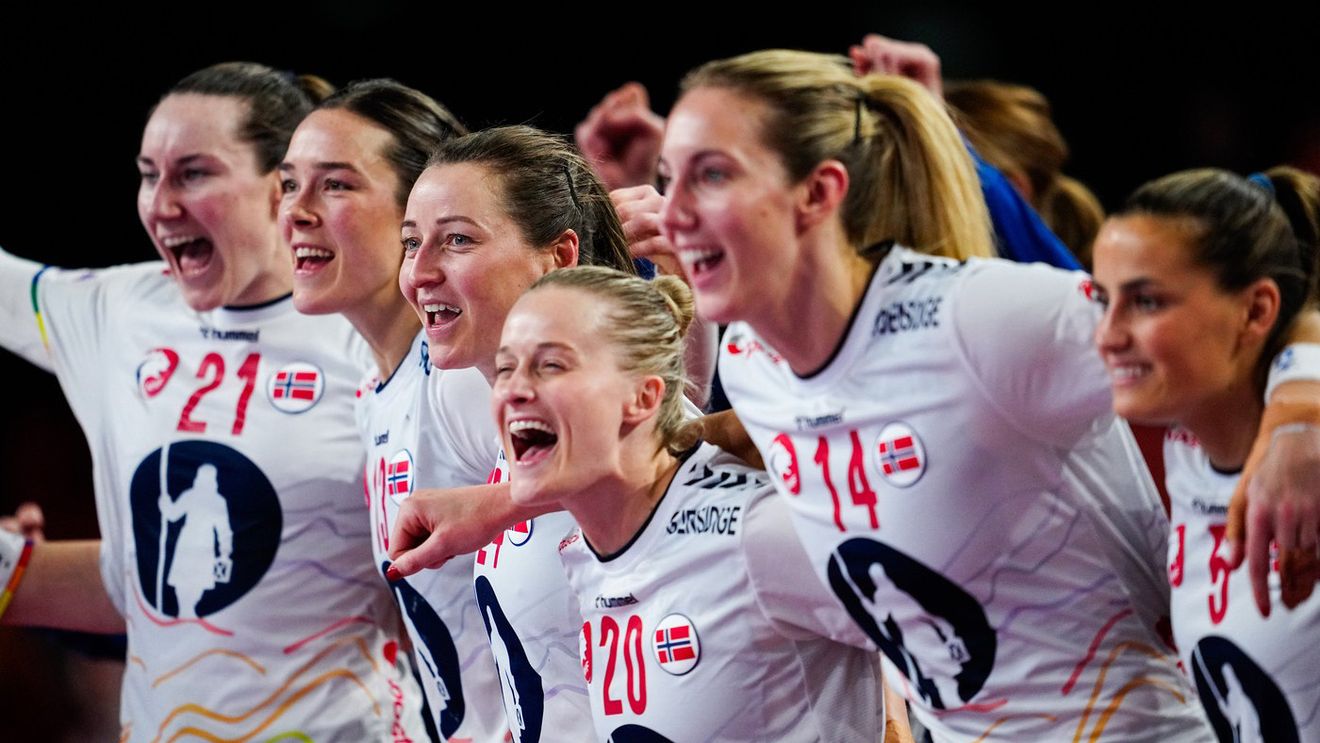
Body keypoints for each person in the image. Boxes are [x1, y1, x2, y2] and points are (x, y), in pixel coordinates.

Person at [657, 48, 1215, 740]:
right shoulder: (750, 363)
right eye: (665, 178)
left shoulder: (982, 320)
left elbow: (1239, 330)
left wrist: (1289, 420)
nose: (672, 211)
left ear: (820, 192)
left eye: (710, 175)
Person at [0, 63, 426, 741]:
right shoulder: (112, 311)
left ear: (280, 188)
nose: (161, 204)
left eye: (194, 174)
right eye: (148, 174)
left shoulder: (372, 336)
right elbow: (139, 582)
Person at [495, 266, 886, 741]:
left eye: (551, 365)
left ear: (642, 397)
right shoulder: (589, 551)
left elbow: (979, 635)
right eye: (505, 368)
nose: (514, 390)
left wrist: (894, 719)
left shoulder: (754, 534)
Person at [279, 78, 508, 741]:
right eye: (290, 183)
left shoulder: (468, 377)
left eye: (337, 185)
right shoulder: (378, 390)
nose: (295, 209)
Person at [397, 125, 638, 741]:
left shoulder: (648, 445)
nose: (420, 271)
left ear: (558, 256)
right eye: (410, 243)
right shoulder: (509, 431)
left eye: (456, 240)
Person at [1092, 166, 1320, 742]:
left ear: (1255, 312)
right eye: (1103, 300)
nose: (1107, 335)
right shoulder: (1187, 447)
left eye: (1145, 301)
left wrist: (1304, 416)